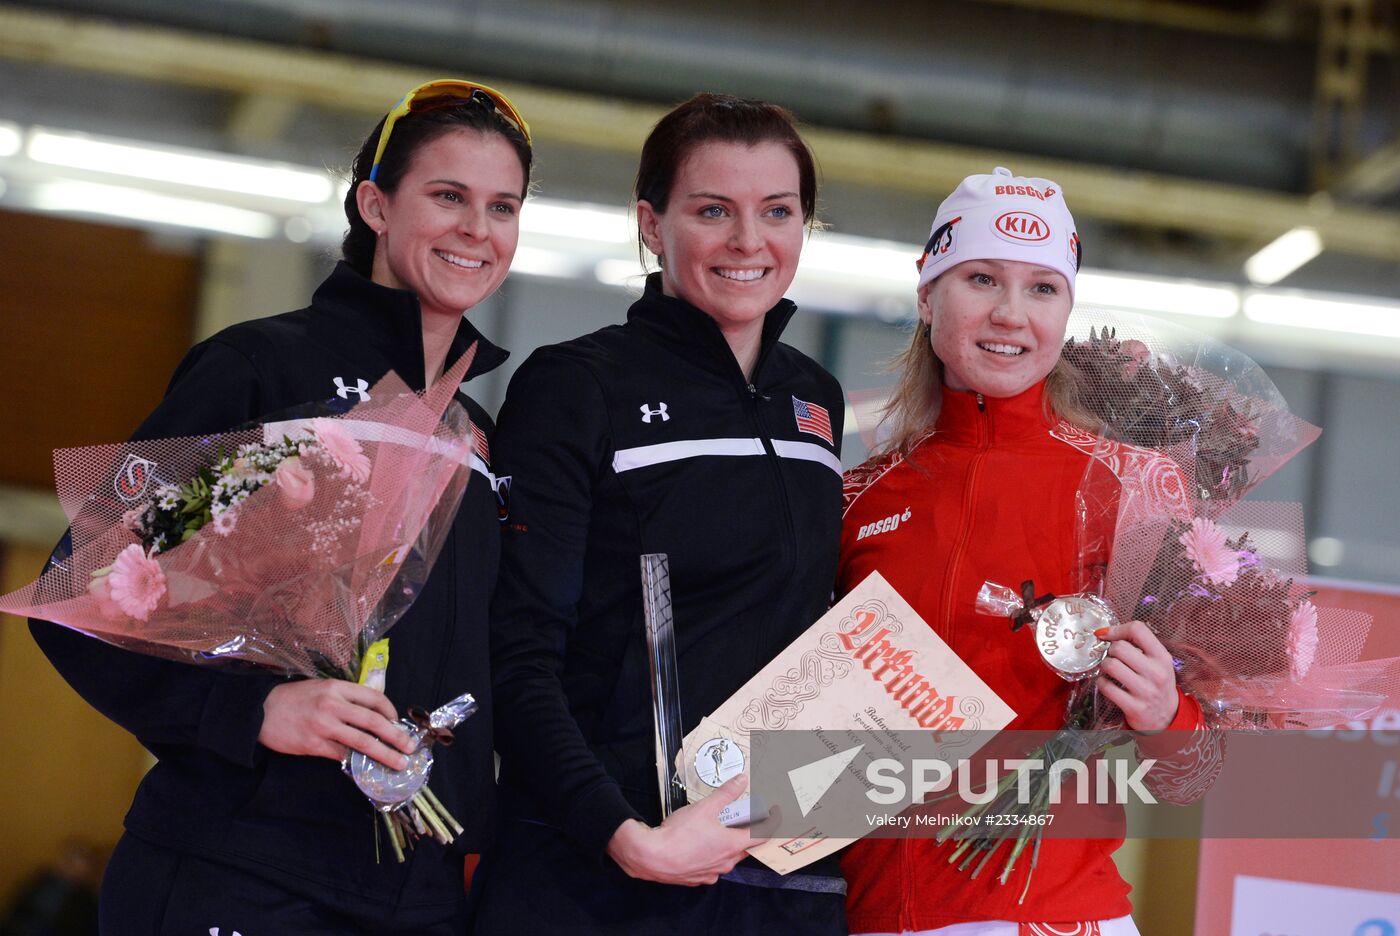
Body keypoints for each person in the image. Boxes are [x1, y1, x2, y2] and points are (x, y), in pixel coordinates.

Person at [29, 78, 532, 935]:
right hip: (242, 872)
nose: (476, 230)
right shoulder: (268, 373)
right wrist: (250, 712)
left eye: (502, 206)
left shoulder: (478, 438)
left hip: (421, 893)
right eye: (447, 196)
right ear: (375, 204)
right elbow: (84, 596)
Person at [473, 92, 848, 934]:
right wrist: (620, 833)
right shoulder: (578, 385)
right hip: (601, 879)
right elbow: (519, 650)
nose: (749, 241)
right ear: (652, 223)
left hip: (779, 881)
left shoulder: (814, 401)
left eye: (777, 212)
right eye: (713, 210)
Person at [837, 168, 1219, 936]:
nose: (1010, 313)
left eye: (1043, 288)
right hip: (871, 913)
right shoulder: (856, 497)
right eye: (981, 279)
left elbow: (1195, 779)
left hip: (1052, 917)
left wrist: (1164, 713)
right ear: (927, 294)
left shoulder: (1135, 489)